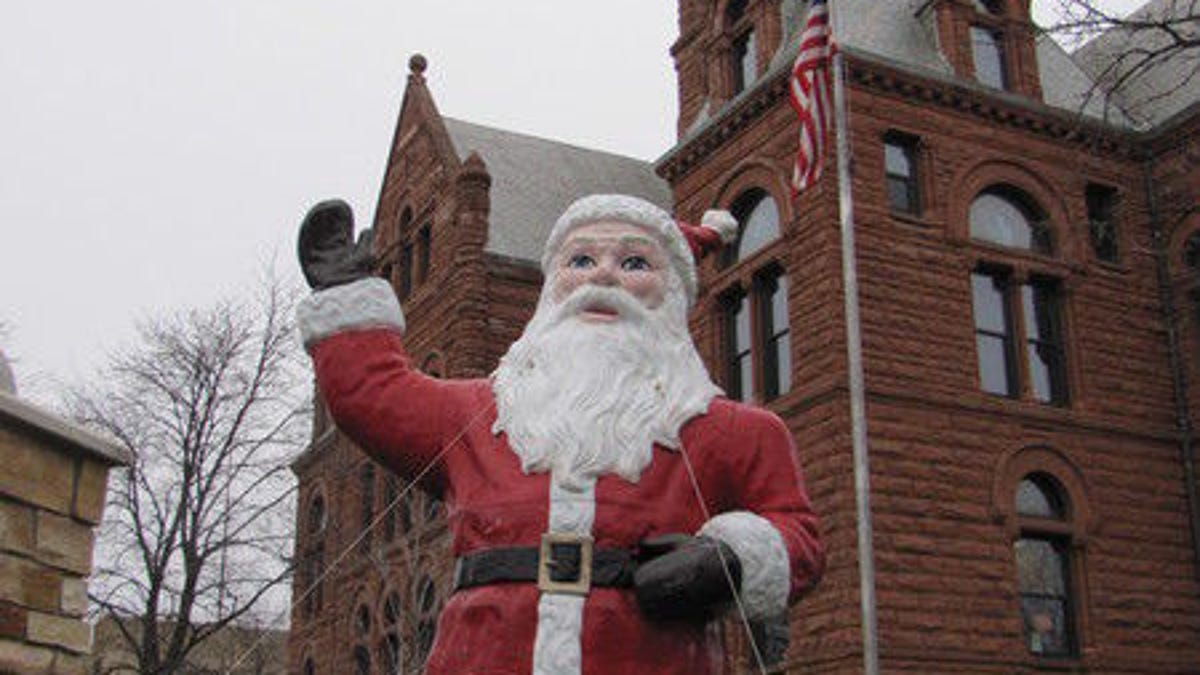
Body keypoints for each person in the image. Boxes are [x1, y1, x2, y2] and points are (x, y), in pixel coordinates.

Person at [296, 194, 824, 675]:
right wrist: (347, 296)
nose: (604, 277)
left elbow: (798, 536)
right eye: (581, 261)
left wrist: (733, 558)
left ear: (673, 292)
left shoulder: (734, 432)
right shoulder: (476, 415)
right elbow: (374, 396)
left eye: (635, 262)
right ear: (552, 288)